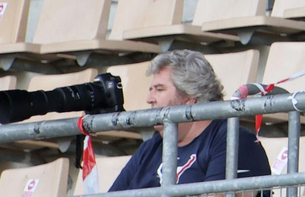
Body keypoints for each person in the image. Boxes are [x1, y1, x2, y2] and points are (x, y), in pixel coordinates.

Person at [107, 50, 269, 193]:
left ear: (189, 97)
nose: (149, 99)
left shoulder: (234, 141)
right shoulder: (151, 147)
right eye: (151, 90)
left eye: (160, 89)